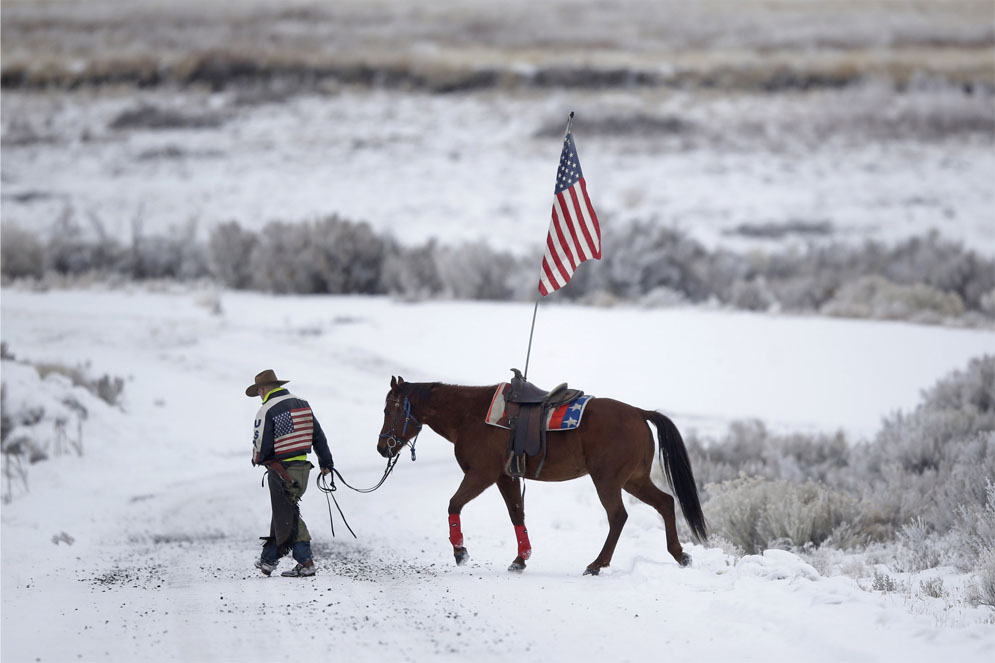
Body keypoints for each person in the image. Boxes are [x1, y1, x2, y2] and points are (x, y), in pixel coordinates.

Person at [247, 369, 334, 578]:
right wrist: (326, 461)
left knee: (290, 515)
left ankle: (306, 562)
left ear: (263, 389)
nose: (259, 395)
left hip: (282, 471)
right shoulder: (303, 403)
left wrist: (257, 459)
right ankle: (268, 560)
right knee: (283, 511)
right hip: (303, 469)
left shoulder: (267, 409)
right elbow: (318, 435)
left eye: (259, 391)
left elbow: (261, 443)